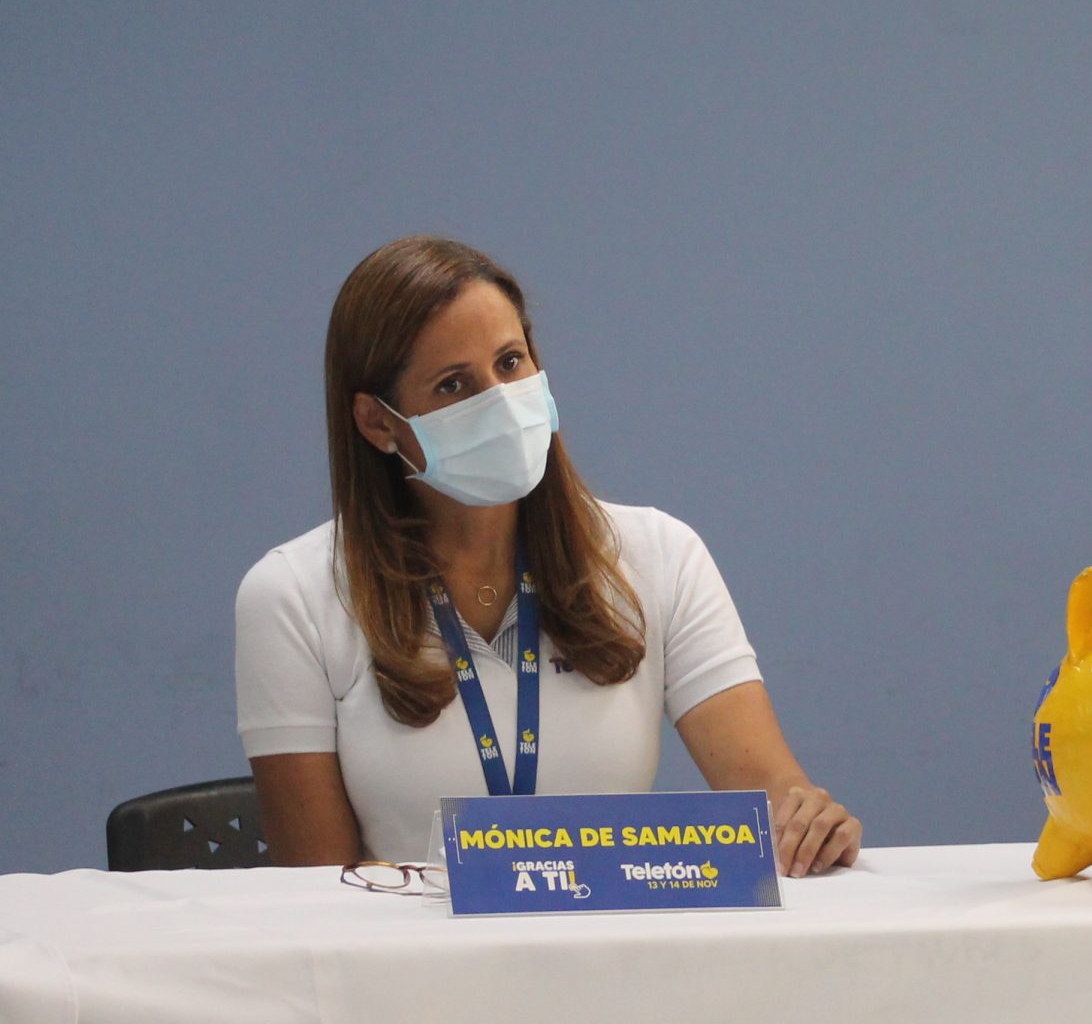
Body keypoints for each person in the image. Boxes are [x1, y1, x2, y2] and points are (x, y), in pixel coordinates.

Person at [236, 235, 859, 874]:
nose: (500, 402)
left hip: (614, 932)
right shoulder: (292, 596)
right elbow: (316, 894)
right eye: (453, 385)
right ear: (378, 422)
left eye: (510, 363)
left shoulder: (662, 555)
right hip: (411, 940)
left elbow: (773, 801)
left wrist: (807, 822)